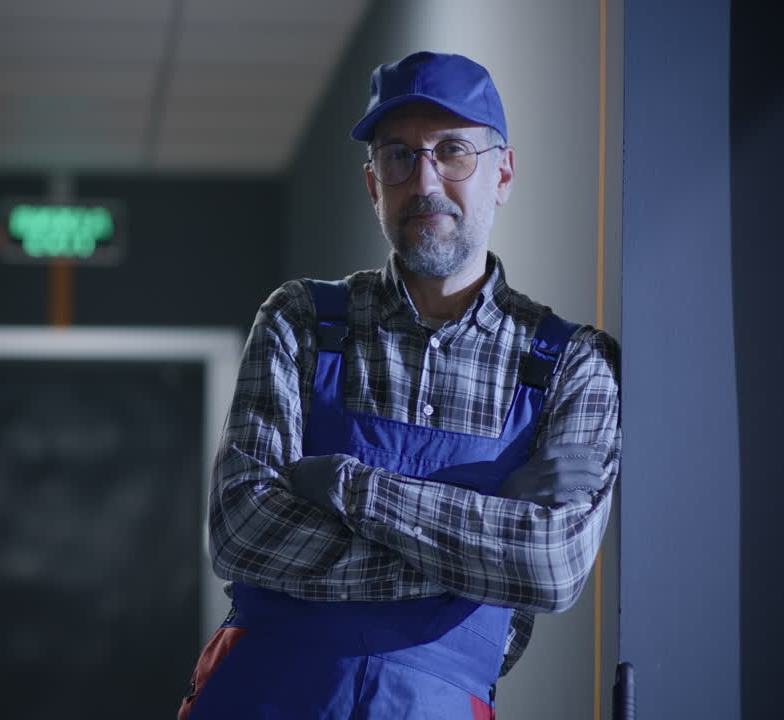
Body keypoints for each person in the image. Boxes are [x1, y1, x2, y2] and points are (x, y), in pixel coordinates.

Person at [179, 51, 621, 720]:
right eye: (399, 157)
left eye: (453, 152)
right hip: (261, 695)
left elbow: (552, 568)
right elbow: (241, 530)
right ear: (372, 184)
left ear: (502, 172)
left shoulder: (570, 364)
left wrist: (348, 487)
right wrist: (477, 573)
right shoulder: (302, 320)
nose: (425, 181)